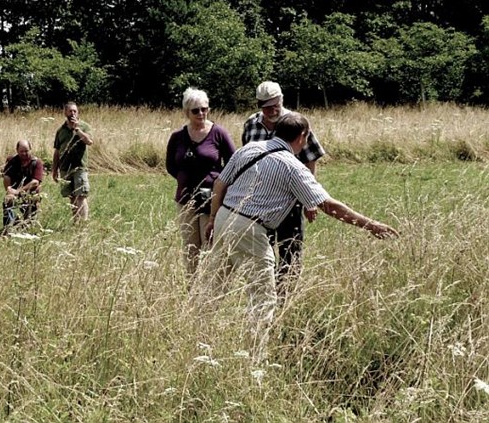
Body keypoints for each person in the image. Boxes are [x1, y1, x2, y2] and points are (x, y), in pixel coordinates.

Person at [205, 112, 399, 363]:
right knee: (263, 298)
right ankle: (255, 361)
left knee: (213, 287)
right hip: (251, 229)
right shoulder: (292, 166)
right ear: (303, 136)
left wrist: (212, 218)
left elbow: (220, 184)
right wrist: (371, 225)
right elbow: (328, 206)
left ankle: (198, 342)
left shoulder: (248, 149)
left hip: (224, 218)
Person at [242, 81, 326, 289]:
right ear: (259, 105)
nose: (273, 110)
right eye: (267, 106)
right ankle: (266, 291)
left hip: (290, 199)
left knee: (291, 249)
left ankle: (285, 295)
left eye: (276, 104)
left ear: (282, 99)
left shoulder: (297, 123)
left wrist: (309, 200)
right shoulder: (251, 124)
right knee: (263, 250)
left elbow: (310, 160)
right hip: (260, 200)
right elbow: (246, 157)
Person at [166, 87, 236, 274]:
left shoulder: (219, 133)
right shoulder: (177, 137)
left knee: (209, 244)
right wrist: (185, 180)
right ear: (186, 112)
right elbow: (171, 166)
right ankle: (191, 289)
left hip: (211, 199)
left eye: (204, 109)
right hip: (185, 199)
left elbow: (234, 163)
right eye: (195, 110)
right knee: (190, 247)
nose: (201, 113)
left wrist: (217, 183)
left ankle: (207, 289)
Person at [52, 101, 94, 222]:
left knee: (81, 195)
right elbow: (56, 151)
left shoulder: (84, 126)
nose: (72, 113)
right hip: (65, 168)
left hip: (80, 167)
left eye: (75, 111)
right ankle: (76, 222)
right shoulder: (60, 131)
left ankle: (84, 223)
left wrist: (78, 130)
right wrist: (55, 170)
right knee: (71, 197)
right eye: (70, 111)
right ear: (65, 112)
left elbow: (89, 142)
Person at [2, 140, 44, 232]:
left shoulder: (37, 163)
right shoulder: (11, 160)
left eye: (26, 151)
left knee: (29, 225)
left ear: (30, 149)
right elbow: (6, 176)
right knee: (7, 201)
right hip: (14, 192)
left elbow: (35, 182)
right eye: (22, 151)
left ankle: (27, 225)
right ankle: (8, 228)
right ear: (17, 150)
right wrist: (9, 190)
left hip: (31, 194)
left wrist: (18, 191)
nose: (24, 153)